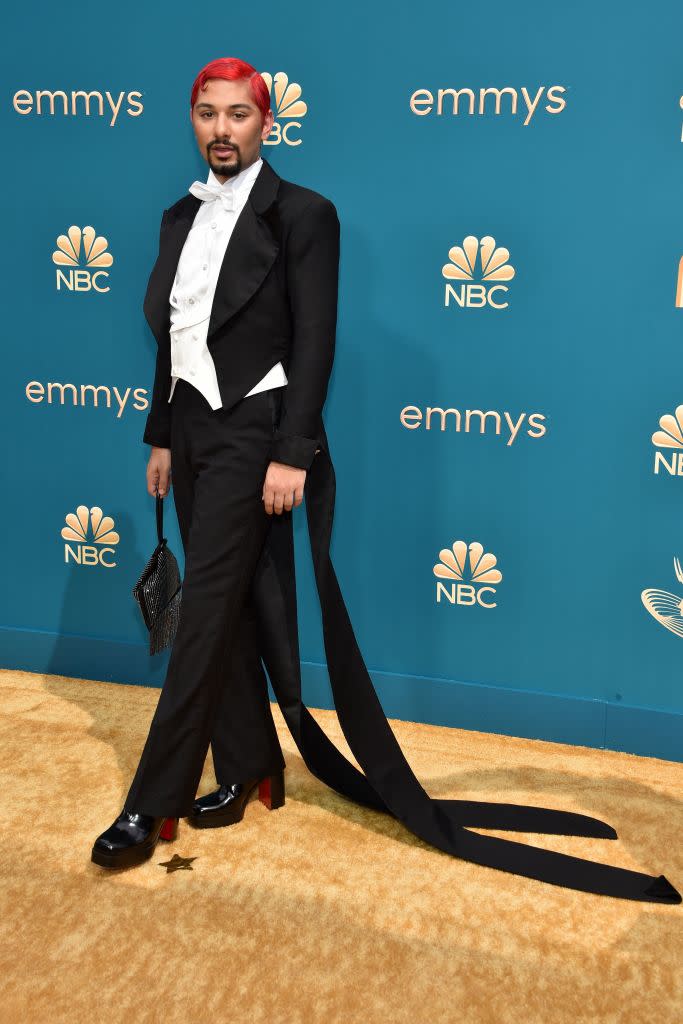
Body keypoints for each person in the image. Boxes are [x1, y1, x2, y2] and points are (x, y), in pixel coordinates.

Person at [90, 57, 680, 905]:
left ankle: (152, 804)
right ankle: (253, 768)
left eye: (238, 116)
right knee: (240, 601)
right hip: (191, 432)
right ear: (192, 120)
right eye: (206, 115)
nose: (221, 131)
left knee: (206, 612)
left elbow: (315, 338)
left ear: (267, 124)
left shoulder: (305, 215)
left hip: (257, 434)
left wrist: (292, 451)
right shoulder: (176, 217)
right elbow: (175, 338)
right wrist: (159, 436)